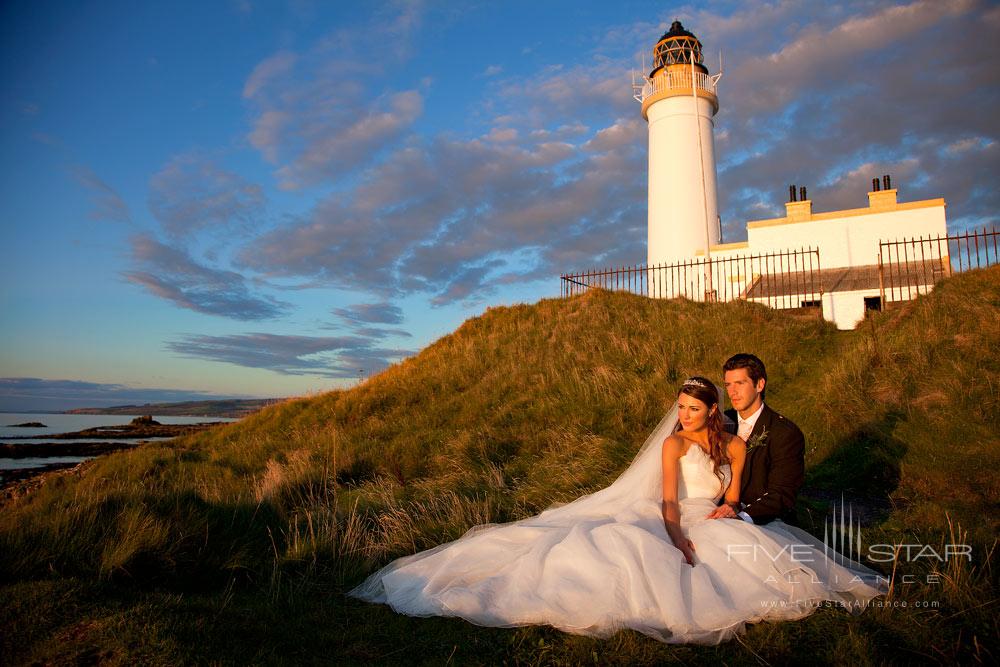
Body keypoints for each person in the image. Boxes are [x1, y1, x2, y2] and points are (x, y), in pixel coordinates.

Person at [349, 376, 886, 644]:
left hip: (714, 515)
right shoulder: (673, 445)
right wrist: (677, 538)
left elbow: (732, 492)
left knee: (756, 555)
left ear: (712, 410)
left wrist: (727, 511)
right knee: (615, 545)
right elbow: (670, 501)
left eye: (694, 409)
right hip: (676, 516)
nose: (685, 416)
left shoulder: (736, 445)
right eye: (680, 409)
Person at [706, 353, 804, 526]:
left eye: (740, 383)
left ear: (759, 384)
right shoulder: (720, 422)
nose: (732, 392)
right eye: (728, 384)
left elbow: (782, 494)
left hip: (761, 521)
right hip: (712, 511)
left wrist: (741, 517)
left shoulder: (785, 433)